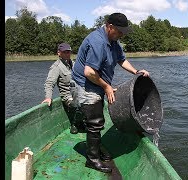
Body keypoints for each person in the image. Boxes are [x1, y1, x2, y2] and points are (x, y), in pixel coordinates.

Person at [71, 12, 149, 173]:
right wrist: (107, 87)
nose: (122, 35)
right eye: (120, 31)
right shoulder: (98, 42)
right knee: (95, 122)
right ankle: (92, 160)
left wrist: (136, 72)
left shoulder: (113, 41)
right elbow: (89, 72)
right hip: (85, 83)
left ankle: (95, 148)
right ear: (110, 26)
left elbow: (121, 60)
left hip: (97, 82)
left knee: (97, 118)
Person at [41, 42, 84, 134]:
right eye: (65, 52)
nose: (67, 54)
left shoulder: (74, 64)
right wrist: (48, 97)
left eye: (69, 52)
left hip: (78, 92)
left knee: (92, 99)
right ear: (59, 53)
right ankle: (75, 123)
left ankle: (82, 121)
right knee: (79, 104)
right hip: (68, 96)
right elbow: (49, 83)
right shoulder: (56, 67)